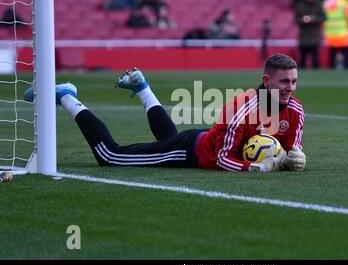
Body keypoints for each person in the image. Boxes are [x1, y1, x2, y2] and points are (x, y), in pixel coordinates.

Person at [23, 54, 306, 172]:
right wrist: (253, 168)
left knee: (167, 138)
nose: (290, 88)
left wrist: (294, 158)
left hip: (201, 141)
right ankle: (68, 97)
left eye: (293, 81)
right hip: (191, 152)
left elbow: (291, 149)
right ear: (266, 81)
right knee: (110, 156)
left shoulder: (295, 111)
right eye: (284, 81)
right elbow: (221, 158)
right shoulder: (242, 108)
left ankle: (142, 87)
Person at [295, 0, 326, 69]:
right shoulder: (300, 5)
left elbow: (324, 17)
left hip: (315, 36)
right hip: (304, 36)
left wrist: (314, 19)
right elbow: (296, 19)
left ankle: (317, 74)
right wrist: (303, 20)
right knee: (302, 59)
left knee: (315, 58)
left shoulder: (318, 5)